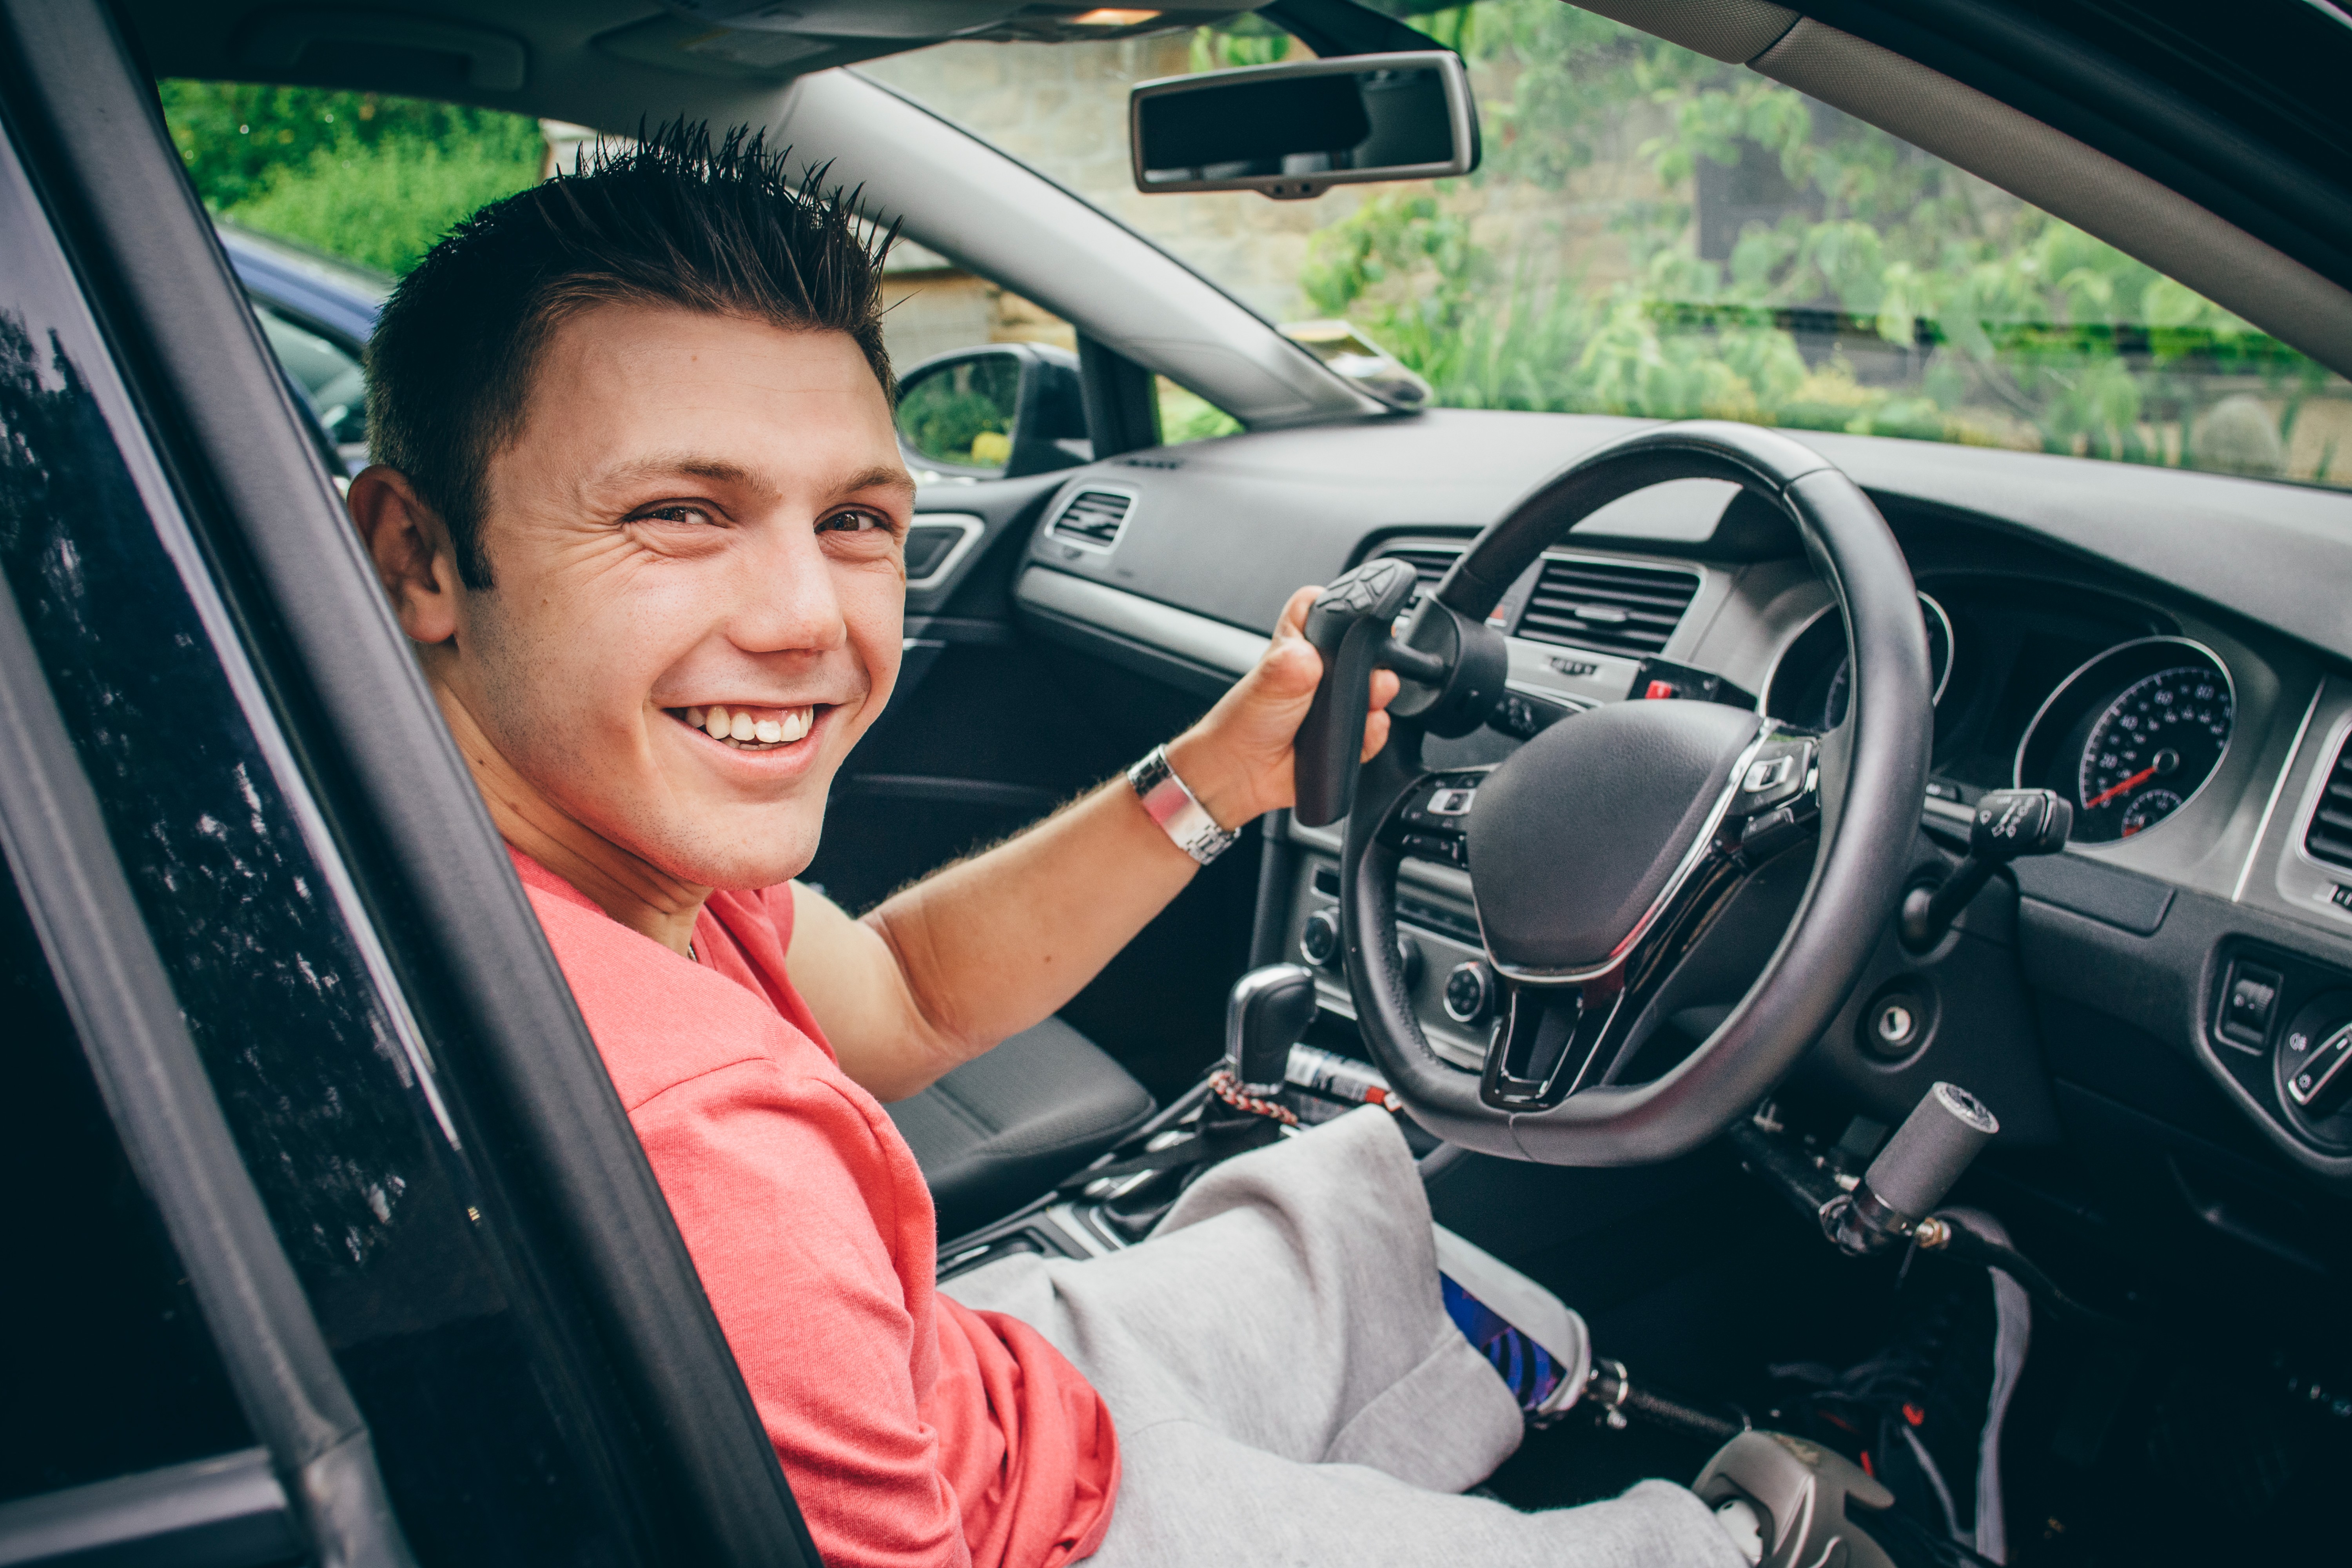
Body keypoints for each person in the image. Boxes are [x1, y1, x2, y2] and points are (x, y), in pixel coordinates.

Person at [348, 123, 1746, 1568]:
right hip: (1046, 1528)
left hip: (964, 1380)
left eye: (851, 519)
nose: (805, 621)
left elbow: (902, 993)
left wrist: (1217, 775)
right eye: (679, 515)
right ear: (421, 558)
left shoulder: (498, 858)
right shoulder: (710, 1150)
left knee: (1356, 1211)